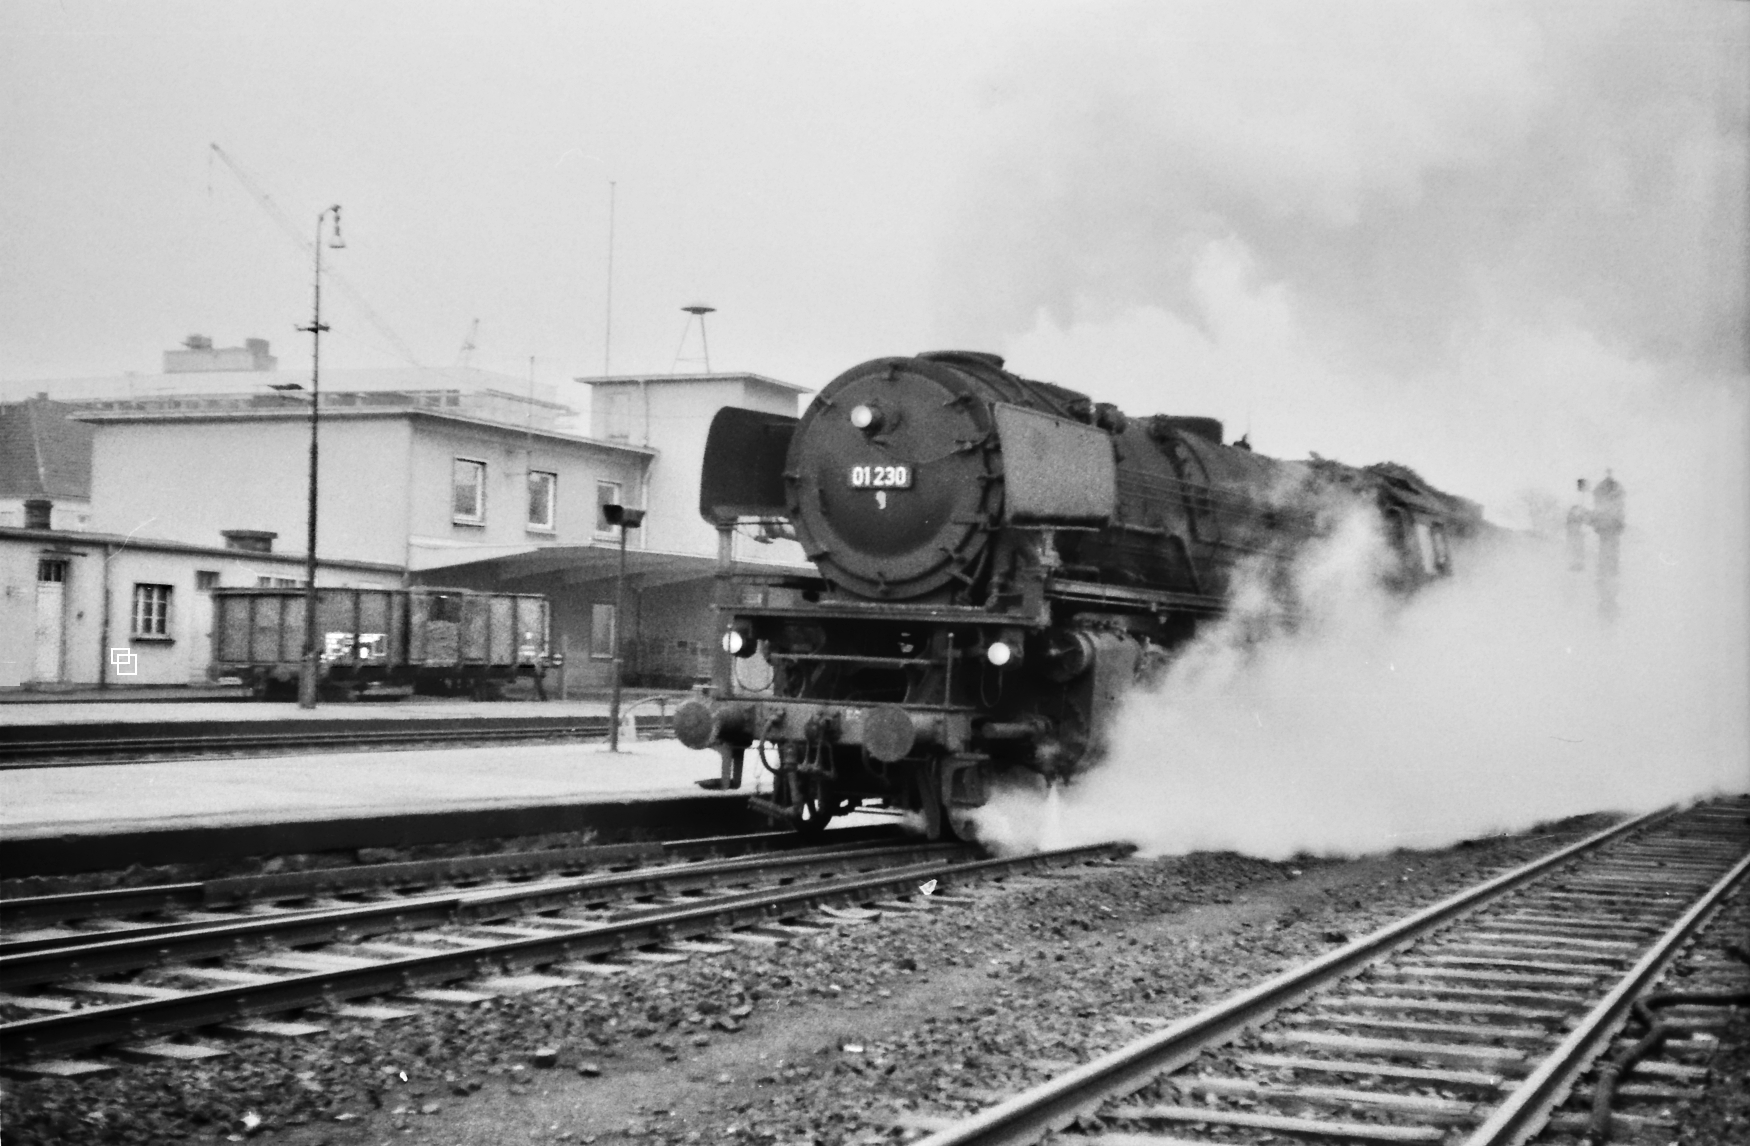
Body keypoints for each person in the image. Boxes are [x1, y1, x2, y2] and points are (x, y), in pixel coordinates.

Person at [1566, 478, 1590, 571]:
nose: (1587, 487)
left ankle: (1578, 565)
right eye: (1585, 485)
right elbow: (1576, 512)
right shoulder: (1578, 497)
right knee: (1576, 545)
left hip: (1576, 527)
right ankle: (1576, 565)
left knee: (1578, 546)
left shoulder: (1581, 496)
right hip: (1574, 526)